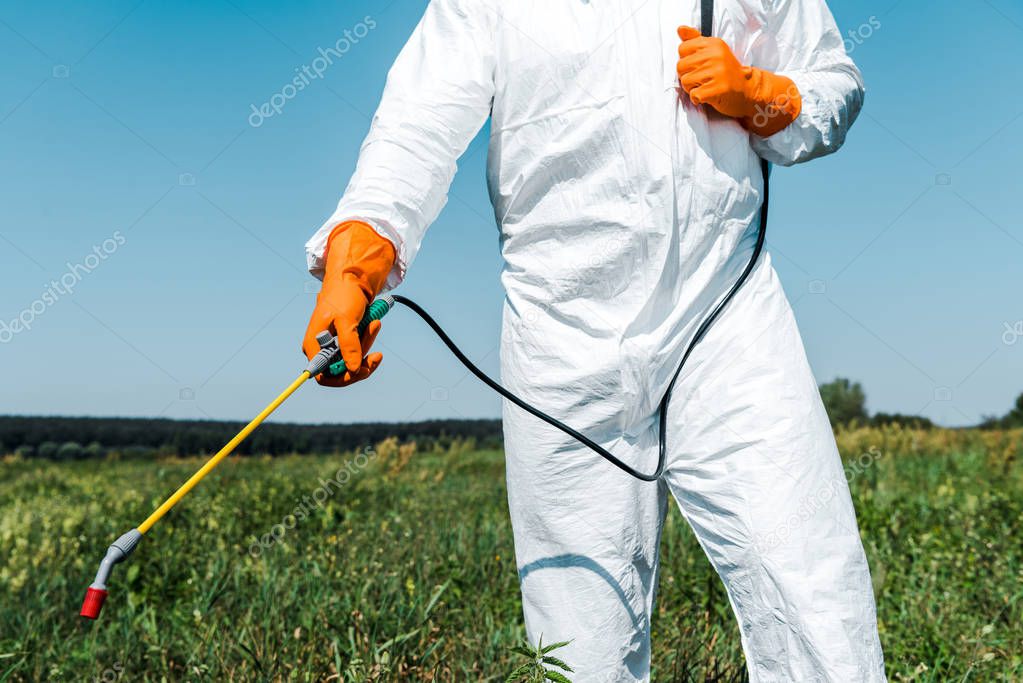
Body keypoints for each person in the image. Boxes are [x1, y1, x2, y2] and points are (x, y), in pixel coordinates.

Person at [303, 1, 885, 680]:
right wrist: (356, 263)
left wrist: (761, 96)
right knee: (582, 641)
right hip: (561, 337)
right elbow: (415, 128)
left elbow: (833, 83)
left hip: (726, 315)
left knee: (809, 583)